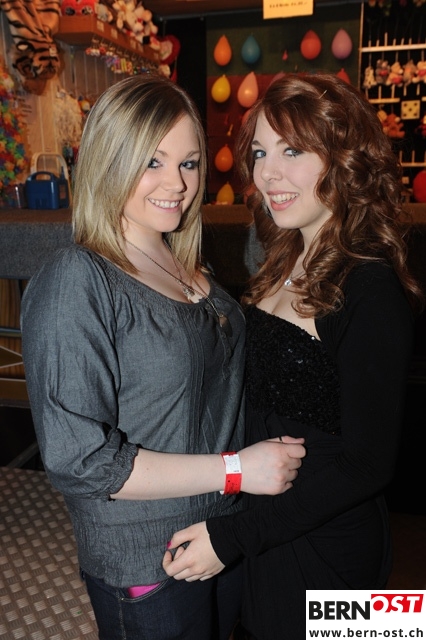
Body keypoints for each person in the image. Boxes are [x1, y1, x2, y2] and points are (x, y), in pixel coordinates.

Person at [20, 74, 306, 640]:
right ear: (110, 159)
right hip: (149, 559)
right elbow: (81, 459)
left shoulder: (190, 266)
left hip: (221, 535)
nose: (176, 183)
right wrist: (237, 469)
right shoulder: (79, 278)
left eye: (189, 163)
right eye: (152, 161)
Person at [162, 72, 425, 639]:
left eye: (293, 151)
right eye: (260, 152)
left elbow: (368, 465)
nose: (267, 173)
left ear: (345, 161)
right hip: (270, 530)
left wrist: (230, 539)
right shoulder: (284, 258)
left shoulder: (370, 286)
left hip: (327, 549)